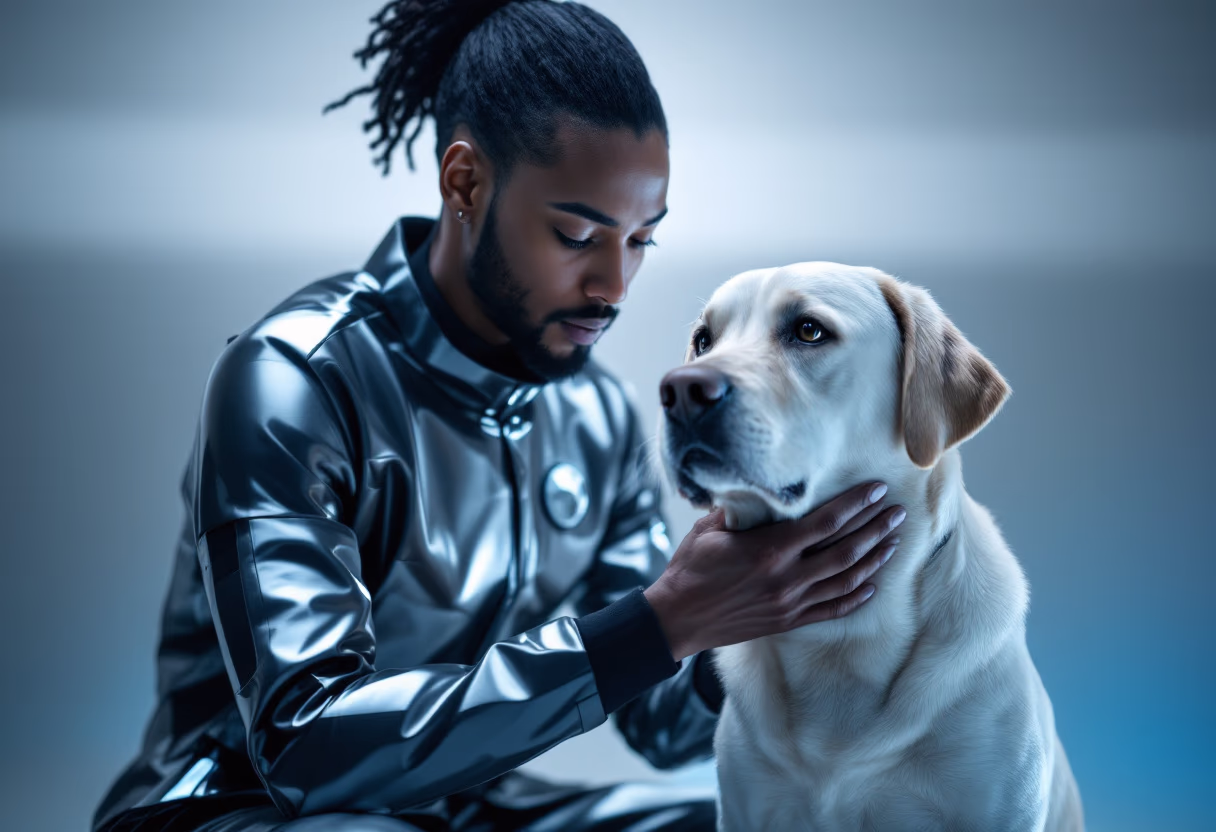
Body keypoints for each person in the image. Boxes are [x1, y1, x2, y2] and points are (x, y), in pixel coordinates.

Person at [92, 2, 905, 830]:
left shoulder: (595, 419)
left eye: (640, 241)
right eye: (577, 234)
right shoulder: (294, 378)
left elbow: (663, 727)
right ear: (465, 182)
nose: (614, 287)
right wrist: (663, 622)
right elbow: (306, 749)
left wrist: (756, 612)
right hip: (239, 808)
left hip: (462, 808)